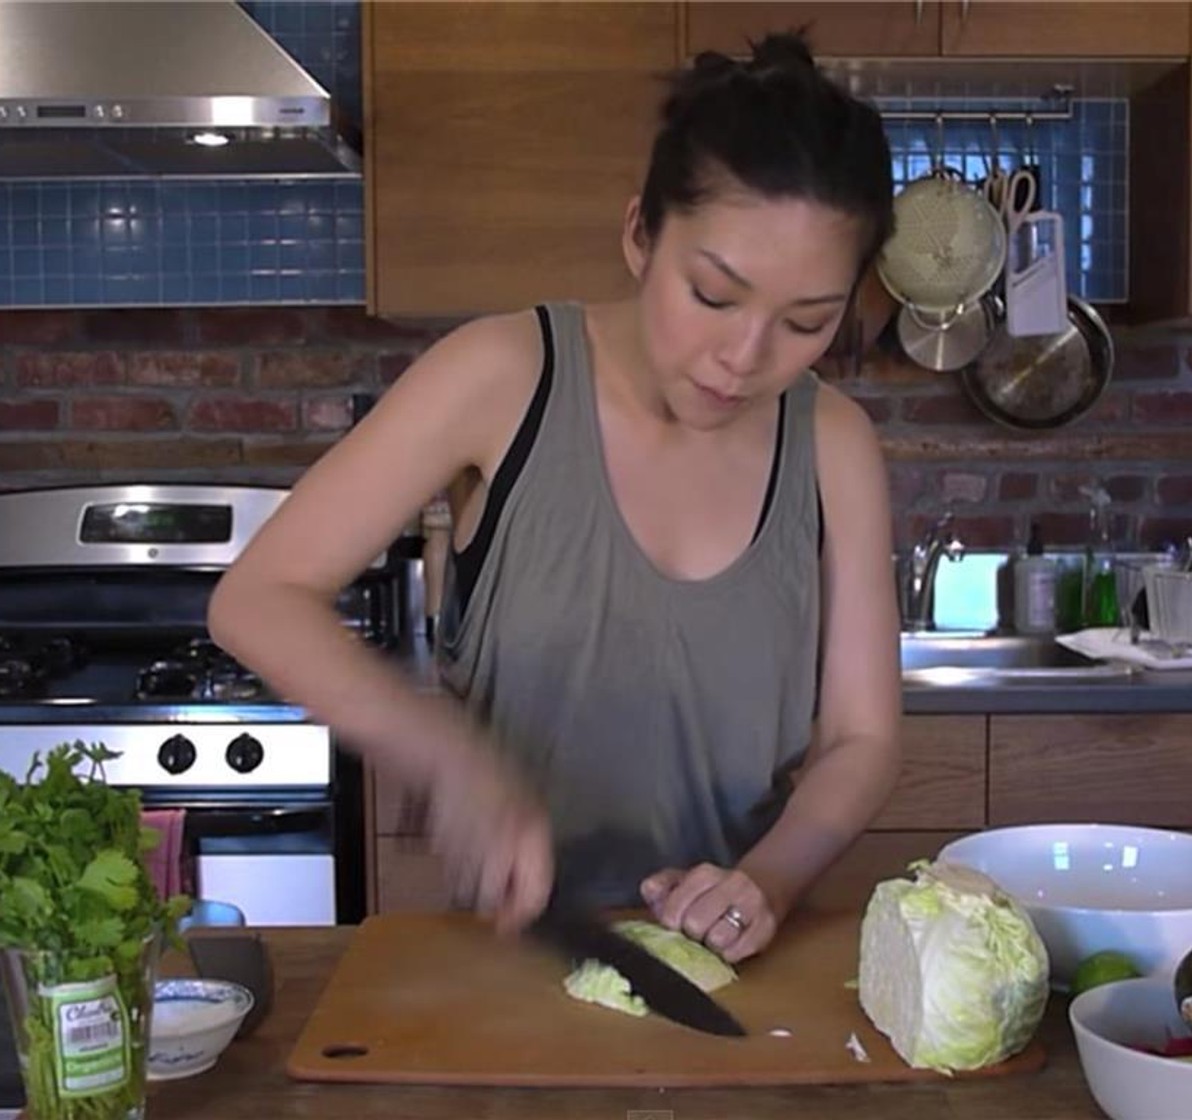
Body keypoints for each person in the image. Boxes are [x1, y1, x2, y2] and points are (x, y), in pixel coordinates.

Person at [208, 32, 901, 964]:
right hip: (511, 966)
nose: (745, 358)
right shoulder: (501, 377)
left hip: (741, 970)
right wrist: (448, 756)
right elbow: (257, 599)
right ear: (638, 237)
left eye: (805, 322)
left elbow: (861, 736)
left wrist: (765, 882)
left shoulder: (833, 443)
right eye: (712, 294)